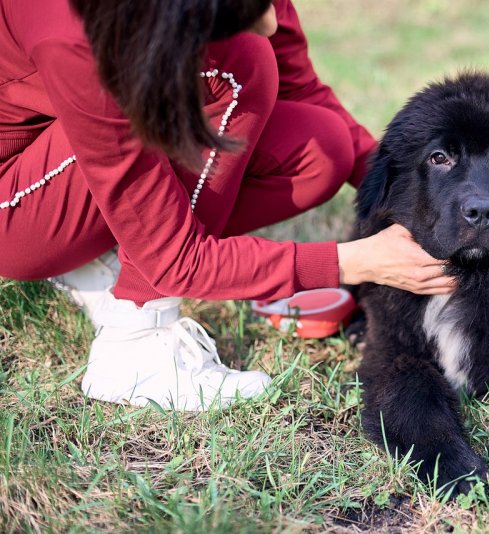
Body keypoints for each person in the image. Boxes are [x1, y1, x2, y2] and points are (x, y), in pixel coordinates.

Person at [0, 0, 453, 411]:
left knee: (321, 149)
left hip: (85, 136)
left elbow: (300, 86)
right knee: (234, 63)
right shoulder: (74, 26)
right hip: (13, 205)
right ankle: (135, 343)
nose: (272, 22)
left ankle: (102, 256)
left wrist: (419, 199)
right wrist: (351, 261)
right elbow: (175, 259)